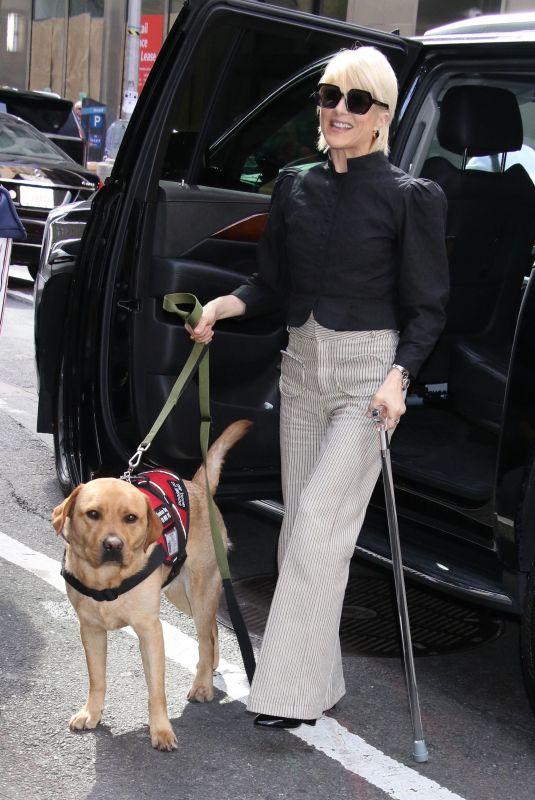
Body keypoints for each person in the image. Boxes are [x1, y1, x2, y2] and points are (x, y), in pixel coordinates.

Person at [187, 46, 449, 729]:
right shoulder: (294, 187)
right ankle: (320, 676)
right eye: (329, 97)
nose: (337, 111)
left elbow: (427, 309)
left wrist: (399, 379)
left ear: (381, 116)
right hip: (301, 372)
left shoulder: (409, 198)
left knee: (313, 533)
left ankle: (284, 697)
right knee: (302, 535)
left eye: (355, 101)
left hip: (368, 383)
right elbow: (270, 286)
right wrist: (223, 307)